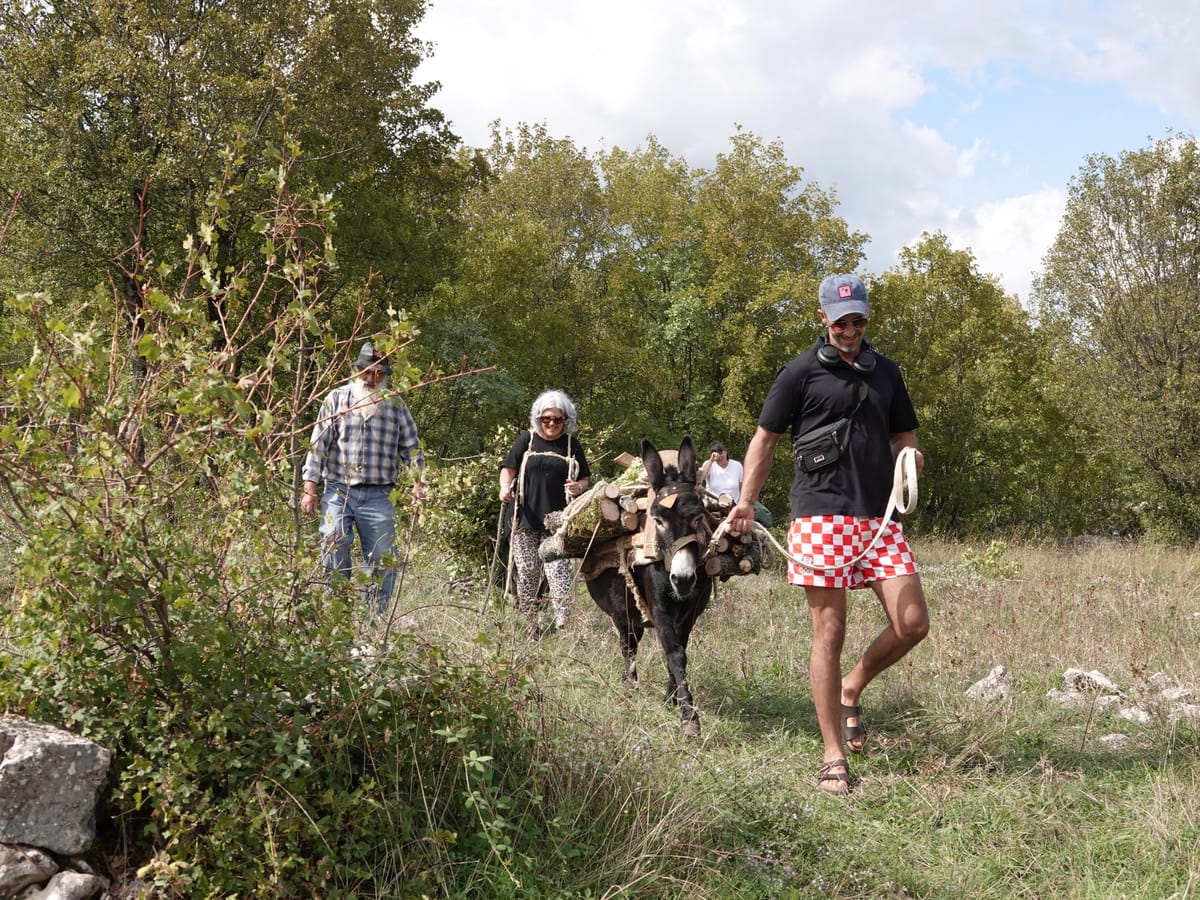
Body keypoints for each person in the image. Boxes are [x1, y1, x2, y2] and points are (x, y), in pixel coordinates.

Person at [724, 273, 929, 795]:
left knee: (912, 623)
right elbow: (764, 440)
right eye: (841, 322)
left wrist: (910, 457)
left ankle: (851, 686)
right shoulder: (797, 375)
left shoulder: (887, 373)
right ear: (823, 319)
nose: (851, 330)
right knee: (829, 632)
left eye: (858, 320)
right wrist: (746, 501)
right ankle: (832, 755)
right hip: (819, 515)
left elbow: (903, 433)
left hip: (879, 516)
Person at [300, 341, 424, 615]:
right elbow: (317, 444)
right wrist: (310, 487)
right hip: (337, 490)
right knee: (333, 546)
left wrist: (419, 483)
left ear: (385, 375)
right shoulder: (336, 400)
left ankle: (375, 622)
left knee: (382, 559)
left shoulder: (395, 404)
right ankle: (337, 618)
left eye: (378, 373)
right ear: (357, 371)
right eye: (367, 372)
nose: (372, 378)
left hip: (379, 496)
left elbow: (411, 447)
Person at [499, 390, 591, 638]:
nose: (551, 423)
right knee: (528, 571)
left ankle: (563, 625)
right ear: (538, 418)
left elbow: (585, 479)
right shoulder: (525, 440)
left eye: (557, 419)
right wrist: (504, 488)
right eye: (546, 418)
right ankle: (531, 625)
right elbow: (508, 469)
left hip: (557, 522)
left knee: (559, 571)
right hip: (524, 518)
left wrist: (578, 487)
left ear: (566, 420)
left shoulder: (571, 445)